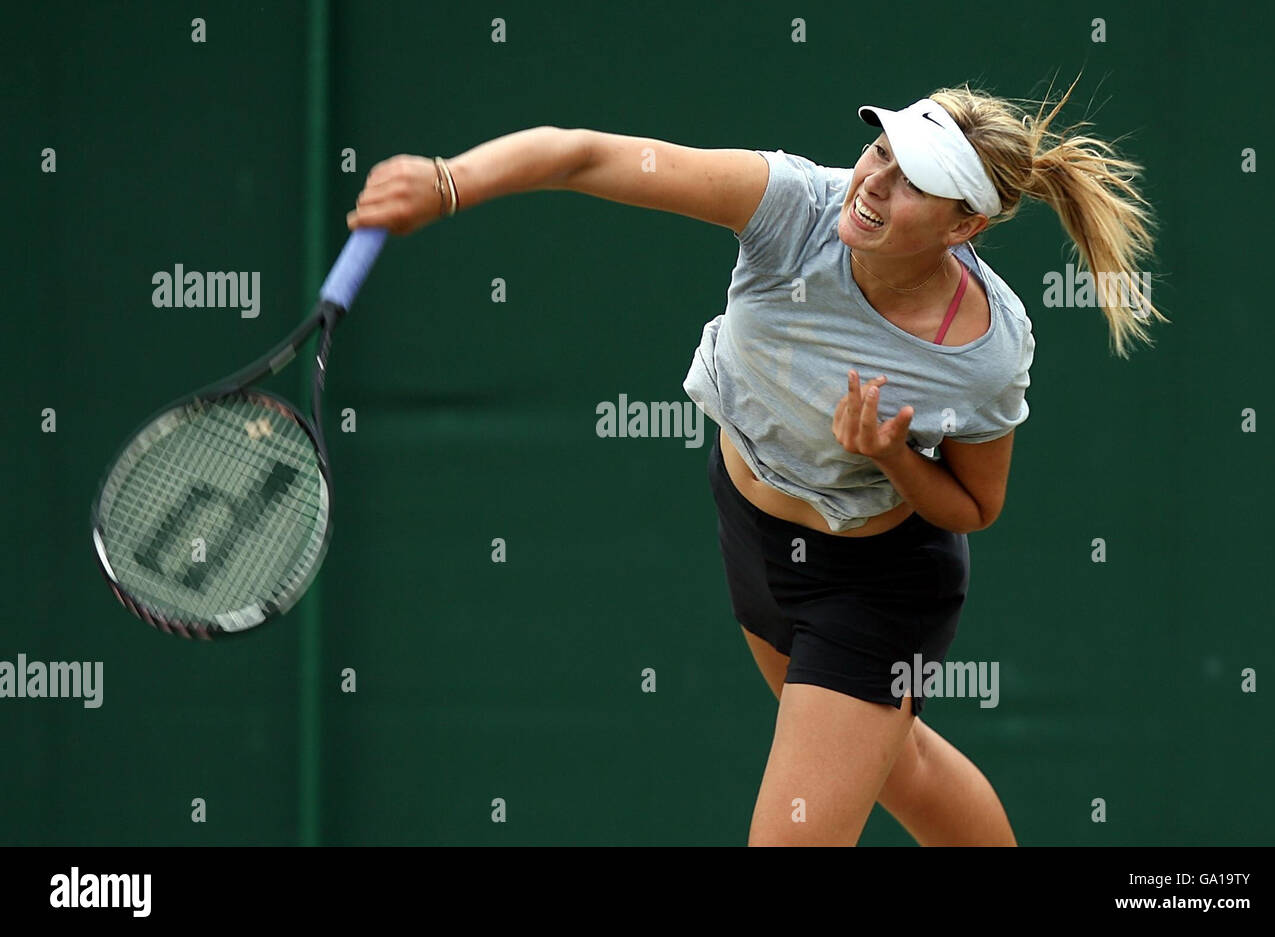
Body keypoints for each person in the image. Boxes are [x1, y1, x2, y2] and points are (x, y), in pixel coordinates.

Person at [347, 77, 1165, 846]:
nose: (874, 182)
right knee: (901, 763)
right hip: (755, 539)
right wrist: (450, 182)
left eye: (914, 180)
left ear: (964, 228)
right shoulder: (792, 206)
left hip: (877, 585)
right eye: (881, 150)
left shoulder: (982, 351)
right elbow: (585, 153)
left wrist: (892, 457)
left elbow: (974, 508)